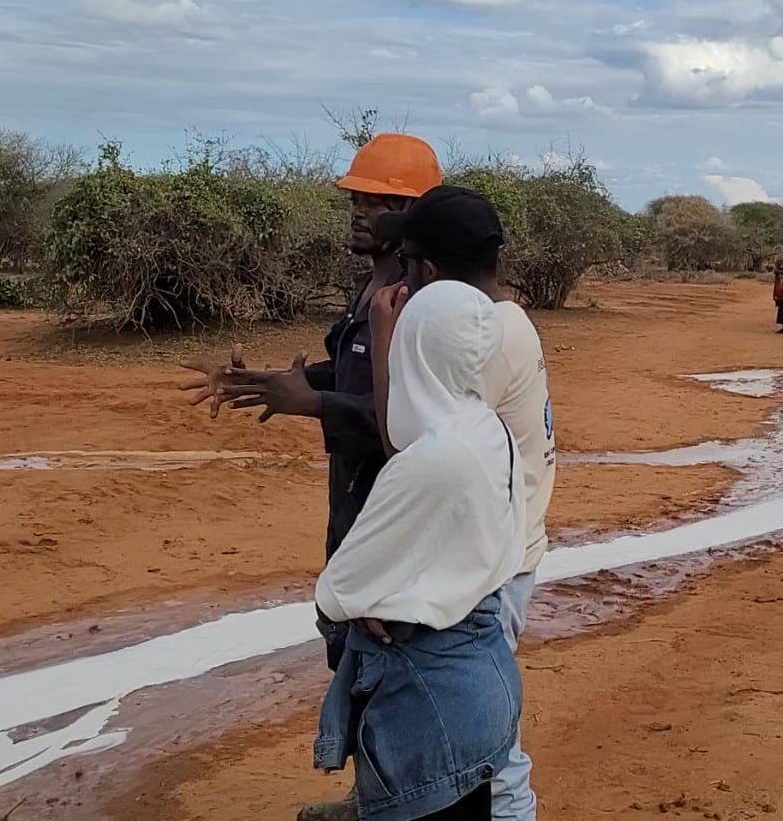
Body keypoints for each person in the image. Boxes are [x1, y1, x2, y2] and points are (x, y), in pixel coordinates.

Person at [179, 132, 443, 821]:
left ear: (411, 210)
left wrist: (314, 403)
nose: (357, 210)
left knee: (390, 654)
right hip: (354, 496)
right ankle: (371, 797)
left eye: (373, 199)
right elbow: (354, 376)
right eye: (355, 197)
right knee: (354, 645)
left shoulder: (418, 298)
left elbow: (410, 419)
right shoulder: (375, 286)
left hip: (393, 504)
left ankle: (394, 802)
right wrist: (278, 382)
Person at [314, 279, 526, 821]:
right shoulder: (489, 429)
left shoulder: (430, 461)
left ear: (414, 350)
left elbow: (340, 590)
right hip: (481, 674)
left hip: (426, 699)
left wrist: (360, 602)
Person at [381, 185, 554, 821]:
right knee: (481, 740)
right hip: (504, 549)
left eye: (407, 264)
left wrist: (385, 335)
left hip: (492, 563)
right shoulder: (503, 322)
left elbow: (404, 432)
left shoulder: (483, 341)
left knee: (491, 755)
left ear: (427, 272)